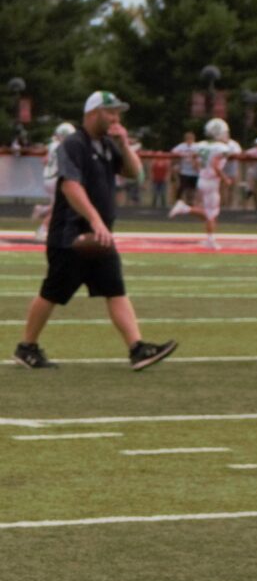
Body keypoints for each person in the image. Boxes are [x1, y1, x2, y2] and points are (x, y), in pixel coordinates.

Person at [12, 91, 178, 371]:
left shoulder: (107, 144)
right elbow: (70, 186)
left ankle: (137, 348)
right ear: (92, 114)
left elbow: (135, 173)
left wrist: (124, 144)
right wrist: (95, 220)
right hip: (72, 235)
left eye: (117, 113)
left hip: (98, 236)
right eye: (109, 112)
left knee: (115, 288)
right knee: (52, 292)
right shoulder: (73, 144)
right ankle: (26, 346)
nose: (115, 118)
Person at [168, 117, 232, 249]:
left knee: (210, 213)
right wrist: (225, 178)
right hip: (211, 181)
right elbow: (215, 164)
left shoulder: (200, 145)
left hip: (202, 179)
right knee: (211, 213)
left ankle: (209, 237)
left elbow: (194, 159)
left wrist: (200, 170)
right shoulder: (222, 148)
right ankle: (209, 239)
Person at [32, 121, 76, 240]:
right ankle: (43, 228)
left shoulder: (52, 145)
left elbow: (44, 160)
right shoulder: (65, 146)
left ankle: (42, 209)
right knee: (60, 206)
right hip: (56, 179)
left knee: (60, 204)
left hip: (47, 178)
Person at [170, 131, 198, 203]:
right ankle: (178, 201)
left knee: (192, 188)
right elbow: (173, 152)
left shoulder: (197, 146)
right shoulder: (181, 146)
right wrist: (177, 162)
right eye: (188, 138)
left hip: (194, 171)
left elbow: (201, 155)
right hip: (184, 171)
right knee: (182, 187)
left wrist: (196, 162)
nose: (189, 140)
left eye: (191, 138)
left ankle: (190, 202)